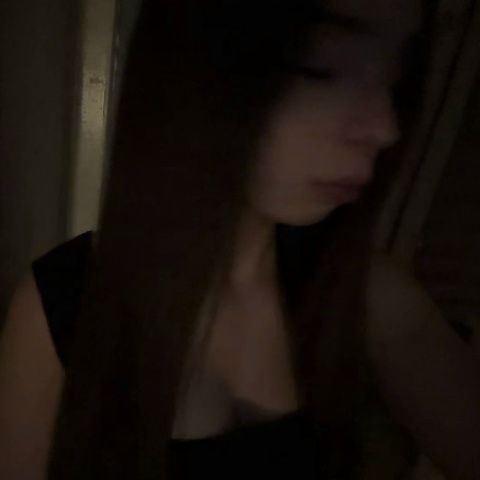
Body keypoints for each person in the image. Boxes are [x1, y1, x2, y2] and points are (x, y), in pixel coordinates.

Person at [1, 0, 479, 479]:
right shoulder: (59, 306)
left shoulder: (366, 294)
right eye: (322, 63)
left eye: (397, 74)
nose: (385, 127)